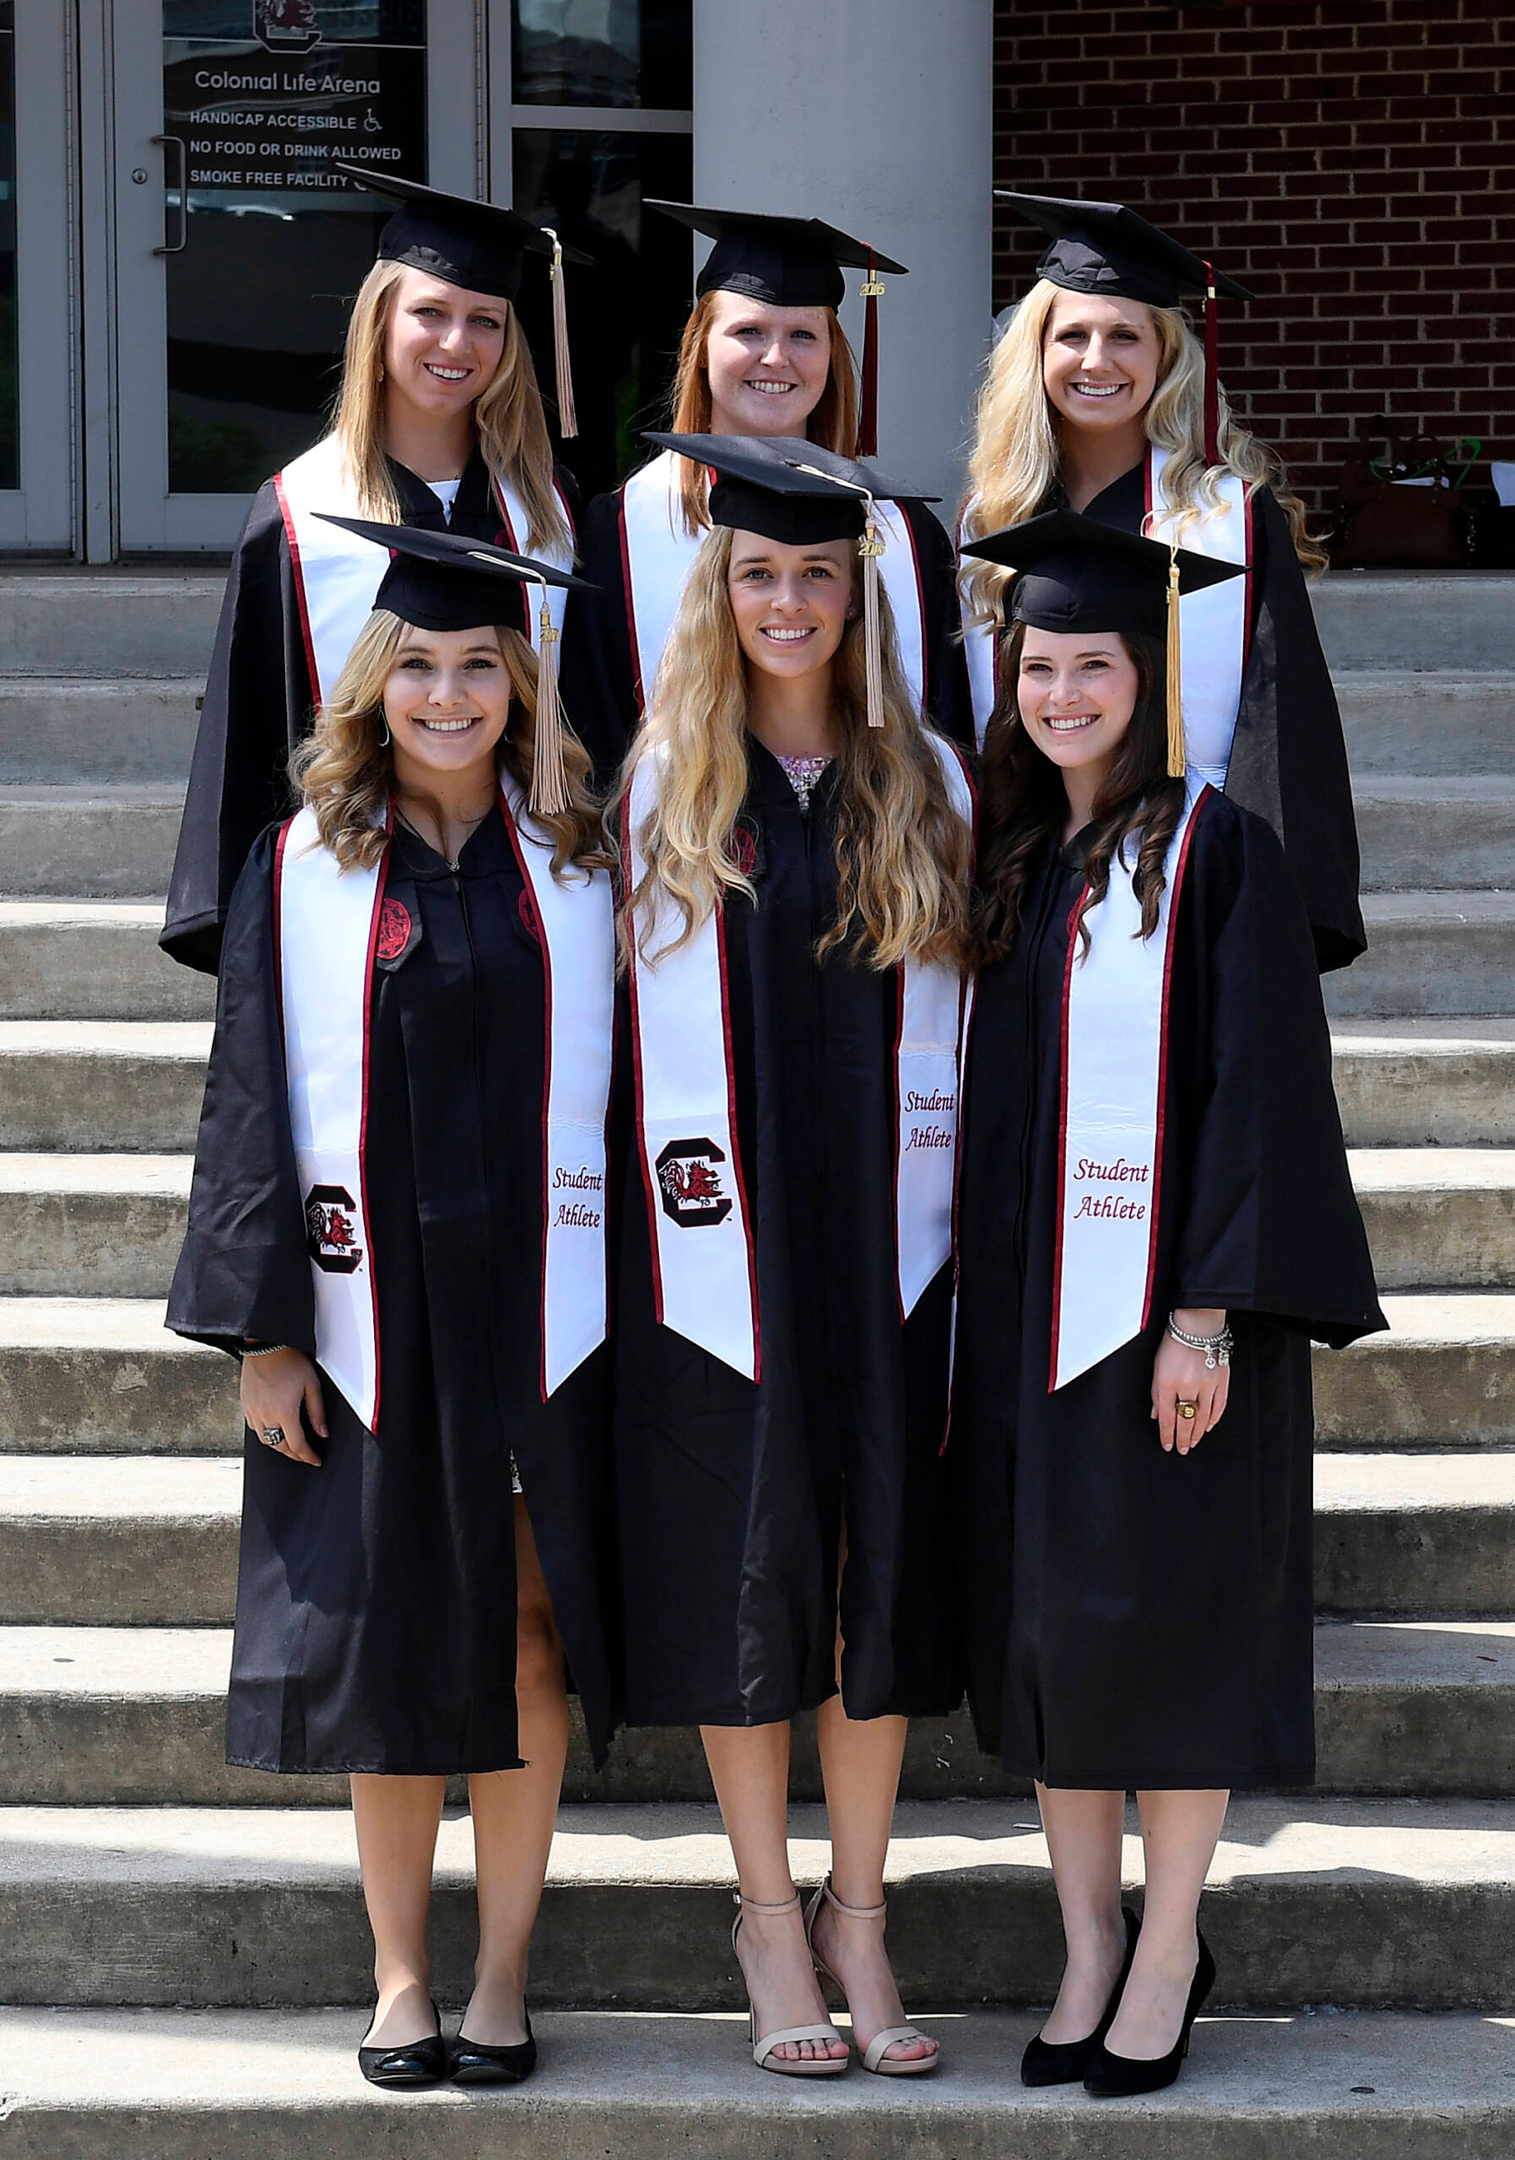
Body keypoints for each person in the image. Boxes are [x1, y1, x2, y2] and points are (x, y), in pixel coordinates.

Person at [166, 524, 618, 2090]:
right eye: (417, 666)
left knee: (530, 1635)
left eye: (477, 666)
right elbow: (248, 1100)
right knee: (388, 1637)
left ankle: (501, 1978)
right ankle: (399, 1979)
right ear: (373, 685)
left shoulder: (580, 856)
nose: (447, 693)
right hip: (375, 1307)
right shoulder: (299, 864)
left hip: (550, 1305)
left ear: (519, 683)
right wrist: (264, 1328)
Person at [947, 512, 1384, 2097]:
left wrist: (1202, 1315)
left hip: (1164, 1335)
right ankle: (1082, 1946)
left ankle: (1171, 1944)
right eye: (1038, 665)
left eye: (1093, 665)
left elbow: (1257, 1091)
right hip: (1025, 1330)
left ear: (1149, 675)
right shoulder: (1013, 854)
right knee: (1057, 1641)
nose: (1063, 693)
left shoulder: (1217, 850)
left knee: (1171, 1637)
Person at [613, 434, 973, 2080]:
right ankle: (767, 1921)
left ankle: (861, 1915)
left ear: (861, 592)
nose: (788, 598)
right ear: (720, 589)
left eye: (817, 572)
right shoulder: (661, 785)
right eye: (759, 572)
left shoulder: (932, 788)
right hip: (722, 1262)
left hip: (889, 1258)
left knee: (873, 1573)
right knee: (755, 1577)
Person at [162, 168, 591, 974]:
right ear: (379, 323)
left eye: (486, 321)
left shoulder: (553, 513)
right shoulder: (298, 515)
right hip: (356, 909)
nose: (457, 344)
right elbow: (254, 739)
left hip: (532, 908)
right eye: (429, 312)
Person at [960, 192, 1364, 973]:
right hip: (1017, 873)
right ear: (1034, 355)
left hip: (1176, 867)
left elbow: (1275, 716)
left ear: (1167, 355)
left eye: (1125, 336)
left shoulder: (1224, 516)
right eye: (1070, 335)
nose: (1095, 360)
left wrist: (1253, 895)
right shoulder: (989, 520)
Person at [562, 204, 971, 775]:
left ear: (833, 355)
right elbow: (596, 733)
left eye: (803, 334)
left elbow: (946, 725)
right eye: (748, 331)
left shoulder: (902, 533)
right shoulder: (622, 529)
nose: (776, 357)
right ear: (700, 347)